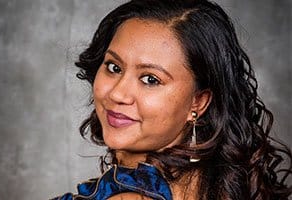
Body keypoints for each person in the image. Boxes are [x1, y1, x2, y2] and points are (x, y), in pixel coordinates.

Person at [52, 0, 292, 199]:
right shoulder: (211, 184)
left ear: (198, 102)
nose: (117, 94)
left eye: (150, 80)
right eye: (114, 67)